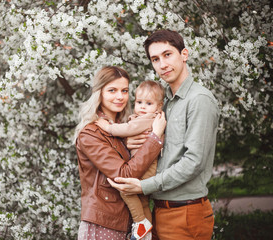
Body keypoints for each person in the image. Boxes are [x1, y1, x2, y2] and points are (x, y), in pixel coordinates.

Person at [107, 29, 220, 240]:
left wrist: (144, 186)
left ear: (184, 54)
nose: (162, 64)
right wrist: (132, 140)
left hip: (185, 212)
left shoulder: (199, 100)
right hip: (159, 210)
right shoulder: (163, 103)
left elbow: (193, 162)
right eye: (155, 59)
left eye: (167, 54)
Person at [74, 66, 166, 240]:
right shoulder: (91, 133)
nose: (120, 96)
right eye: (112, 90)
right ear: (99, 93)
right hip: (103, 224)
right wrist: (155, 138)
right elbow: (124, 174)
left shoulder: (127, 129)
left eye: (124, 90)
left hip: (126, 224)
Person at [95, 80, 165, 240]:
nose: (142, 106)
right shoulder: (143, 117)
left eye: (148, 103)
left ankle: (140, 222)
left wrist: (107, 127)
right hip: (147, 168)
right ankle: (147, 232)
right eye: (139, 102)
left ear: (159, 106)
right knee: (143, 201)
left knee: (125, 189)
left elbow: (127, 129)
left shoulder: (148, 119)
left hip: (146, 169)